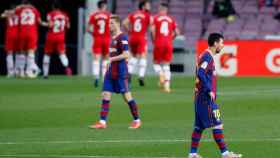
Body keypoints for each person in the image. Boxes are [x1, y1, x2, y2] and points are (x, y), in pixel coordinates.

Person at [188, 33, 242, 158]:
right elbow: (200, 73)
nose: (222, 46)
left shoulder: (205, 55)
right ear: (215, 43)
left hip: (199, 98)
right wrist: (209, 90)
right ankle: (225, 153)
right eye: (221, 43)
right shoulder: (207, 57)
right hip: (205, 98)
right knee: (218, 124)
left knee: (198, 127)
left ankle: (192, 154)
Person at [89, 15, 141, 129]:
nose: (109, 25)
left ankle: (137, 120)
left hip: (121, 72)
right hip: (110, 71)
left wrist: (111, 59)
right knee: (105, 93)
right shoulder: (112, 37)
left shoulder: (123, 37)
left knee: (127, 97)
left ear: (117, 24)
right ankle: (102, 122)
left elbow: (126, 54)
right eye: (108, 23)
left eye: (111, 23)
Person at [151, 3, 179, 93]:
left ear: (160, 9)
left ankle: (160, 74)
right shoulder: (171, 19)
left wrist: (154, 40)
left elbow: (152, 30)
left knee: (155, 63)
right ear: (166, 10)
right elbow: (177, 32)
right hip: (168, 43)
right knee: (166, 65)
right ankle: (167, 87)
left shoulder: (155, 18)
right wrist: (171, 38)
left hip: (159, 42)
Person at [123, 0, 152, 86]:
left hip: (132, 37)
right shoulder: (147, 15)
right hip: (141, 37)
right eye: (148, 5)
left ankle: (129, 74)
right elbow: (150, 29)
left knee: (133, 56)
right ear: (143, 6)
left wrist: (130, 31)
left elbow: (124, 23)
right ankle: (141, 76)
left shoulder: (133, 14)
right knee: (143, 56)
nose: (149, 6)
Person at [15, 0, 45, 78]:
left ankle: (21, 72)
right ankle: (29, 71)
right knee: (31, 51)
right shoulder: (35, 10)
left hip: (22, 32)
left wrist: (21, 7)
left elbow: (14, 11)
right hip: (32, 32)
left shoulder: (20, 9)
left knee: (22, 52)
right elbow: (40, 22)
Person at [42, 2, 72, 79]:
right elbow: (68, 26)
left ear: (53, 7)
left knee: (47, 54)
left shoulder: (50, 14)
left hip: (51, 36)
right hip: (61, 37)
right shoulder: (64, 15)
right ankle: (67, 67)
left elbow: (50, 25)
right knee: (62, 53)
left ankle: (45, 74)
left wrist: (43, 24)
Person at [87, 0, 111, 87]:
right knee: (106, 59)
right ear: (104, 6)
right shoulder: (109, 15)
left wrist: (94, 34)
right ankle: (104, 78)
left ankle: (96, 77)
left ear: (98, 7)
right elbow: (113, 28)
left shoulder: (94, 16)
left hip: (97, 39)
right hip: (106, 39)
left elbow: (88, 28)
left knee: (96, 58)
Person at [1, 5, 19, 77]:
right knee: (19, 53)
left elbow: (2, 16)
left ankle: (10, 73)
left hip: (10, 34)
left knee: (9, 53)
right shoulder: (19, 13)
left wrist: (7, 12)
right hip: (18, 34)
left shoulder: (8, 13)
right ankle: (18, 71)